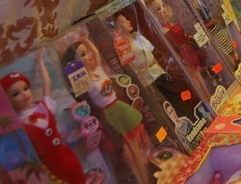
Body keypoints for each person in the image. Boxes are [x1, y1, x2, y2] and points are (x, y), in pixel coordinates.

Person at [62, 37, 153, 183]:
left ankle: (146, 178)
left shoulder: (98, 71)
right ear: (77, 64)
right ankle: (141, 179)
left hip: (119, 108)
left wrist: (86, 40)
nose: (89, 56)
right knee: (130, 155)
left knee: (136, 150)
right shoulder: (86, 83)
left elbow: (96, 53)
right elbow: (83, 97)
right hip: (108, 114)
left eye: (87, 53)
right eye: (83, 55)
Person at [2, 50, 85, 183]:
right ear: (8, 101)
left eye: (25, 88)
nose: (24, 94)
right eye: (15, 94)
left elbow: (47, 83)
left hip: (67, 157)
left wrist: (40, 61)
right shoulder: (18, 124)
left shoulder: (43, 105)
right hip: (49, 168)